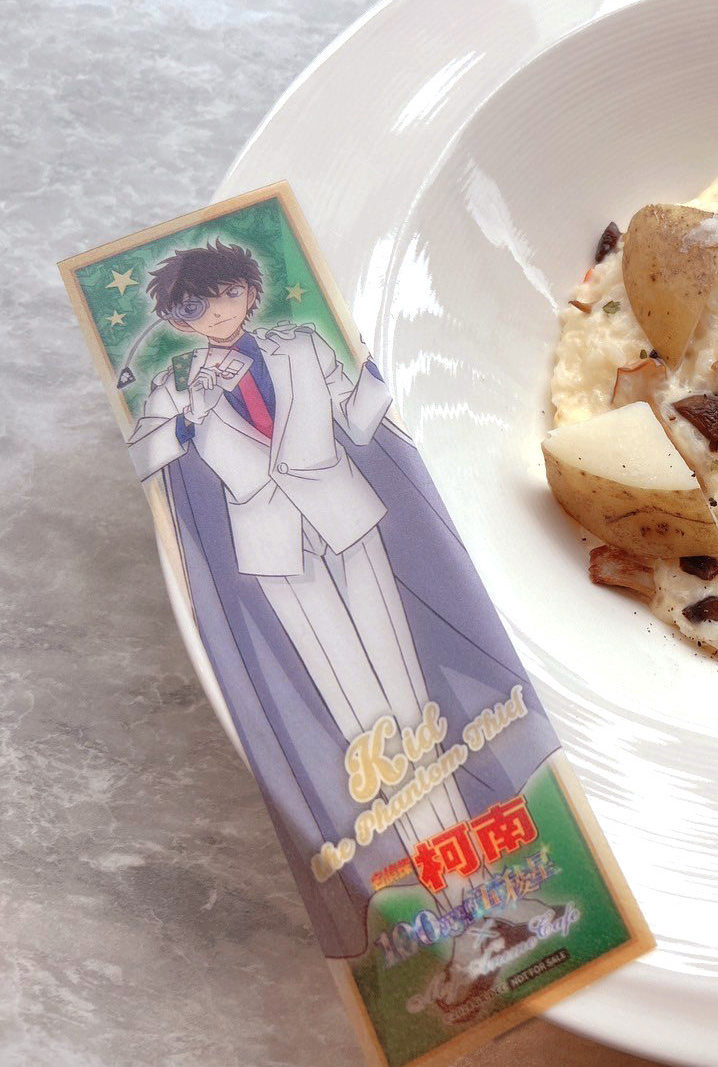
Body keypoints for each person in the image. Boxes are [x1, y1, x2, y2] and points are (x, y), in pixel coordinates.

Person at [127, 241, 554, 1013]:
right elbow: (147, 452)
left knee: (408, 708)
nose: (217, 312)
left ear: (248, 291)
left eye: (226, 294)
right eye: (196, 307)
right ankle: (461, 914)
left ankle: (490, 898)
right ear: (179, 320)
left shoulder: (300, 344)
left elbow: (356, 418)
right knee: (370, 728)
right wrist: (185, 425)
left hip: (348, 523)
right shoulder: (177, 383)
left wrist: (381, 372)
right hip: (276, 552)